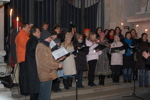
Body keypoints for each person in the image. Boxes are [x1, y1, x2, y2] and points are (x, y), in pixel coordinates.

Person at [36, 31, 65, 100]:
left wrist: (59, 59)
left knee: (46, 96)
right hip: (45, 74)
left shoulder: (46, 46)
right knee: (44, 96)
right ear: (45, 38)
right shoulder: (41, 47)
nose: (51, 39)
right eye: (50, 38)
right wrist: (57, 65)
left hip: (48, 74)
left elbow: (50, 59)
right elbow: (45, 62)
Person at [25, 26, 41, 100]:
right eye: (38, 31)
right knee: (34, 85)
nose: (40, 33)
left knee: (34, 85)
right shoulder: (32, 41)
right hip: (33, 66)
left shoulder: (34, 40)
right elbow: (32, 53)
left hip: (33, 65)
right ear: (34, 33)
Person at [15, 23, 30, 95]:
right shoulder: (21, 36)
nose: (29, 29)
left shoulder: (25, 35)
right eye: (28, 28)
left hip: (26, 58)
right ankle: (24, 90)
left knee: (26, 75)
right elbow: (26, 46)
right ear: (23, 28)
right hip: (23, 58)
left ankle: (26, 89)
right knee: (24, 75)